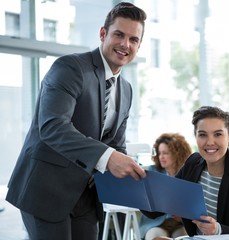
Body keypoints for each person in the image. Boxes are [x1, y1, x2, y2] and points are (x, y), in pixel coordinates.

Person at [5, 2, 147, 240]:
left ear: (139, 45)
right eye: (119, 35)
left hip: (86, 197)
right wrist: (110, 157)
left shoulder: (127, 89)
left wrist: (132, 172)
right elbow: (53, 126)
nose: (125, 44)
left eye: (133, 39)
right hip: (46, 191)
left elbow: (115, 144)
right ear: (103, 34)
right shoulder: (71, 68)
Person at [142, 106, 229, 237]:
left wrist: (218, 230)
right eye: (202, 135)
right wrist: (139, 186)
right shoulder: (193, 164)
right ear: (195, 136)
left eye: (218, 134)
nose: (210, 142)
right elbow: (161, 205)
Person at [140, 133, 192, 240]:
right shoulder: (151, 172)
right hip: (155, 224)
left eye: (165, 153)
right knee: (155, 237)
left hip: (180, 224)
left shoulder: (188, 174)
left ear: (177, 154)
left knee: (184, 237)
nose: (161, 157)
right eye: (159, 153)